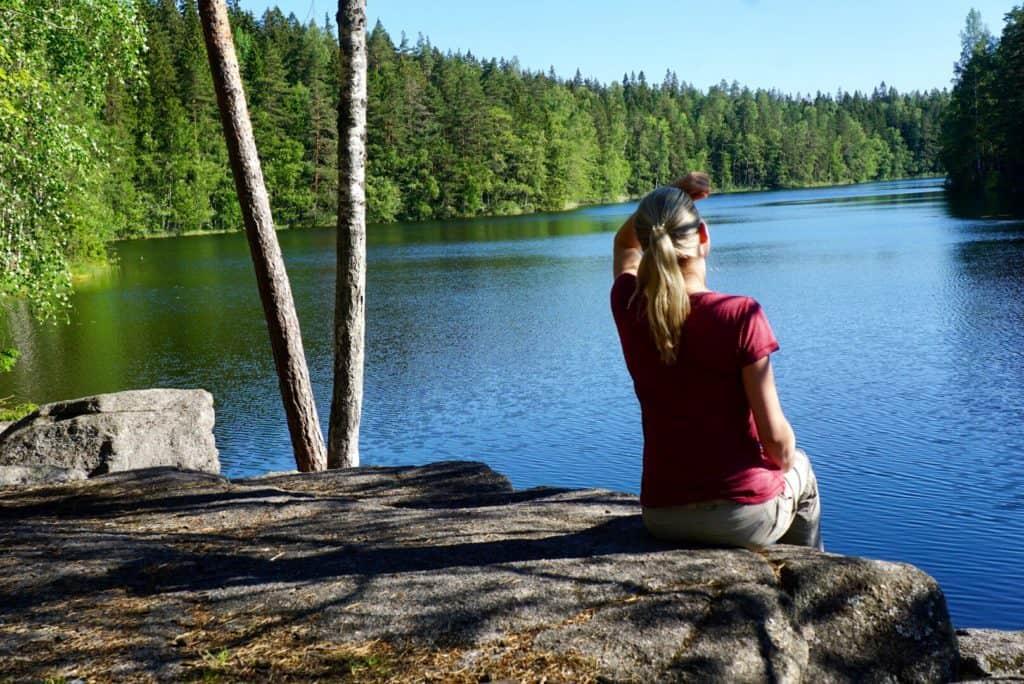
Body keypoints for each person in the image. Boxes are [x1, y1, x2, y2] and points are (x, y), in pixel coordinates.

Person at [611, 173, 822, 550]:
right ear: (703, 236)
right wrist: (789, 454)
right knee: (801, 468)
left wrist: (668, 196)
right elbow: (776, 443)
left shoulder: (629, 305)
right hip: (741, 518)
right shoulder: (740, 315)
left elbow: (623, 243)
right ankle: (807, 582)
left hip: (662, 516)